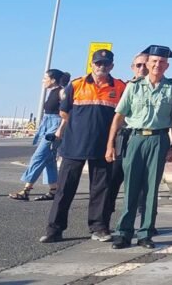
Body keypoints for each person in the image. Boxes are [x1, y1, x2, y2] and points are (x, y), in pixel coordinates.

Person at [40, 49, 126, 243]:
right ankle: (54, 230)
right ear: (92, 64)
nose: (101, 67)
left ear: (111, 65)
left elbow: (121, 116)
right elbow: (64, 112)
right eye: (98, 63)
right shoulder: (77, 84)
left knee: (101, 190)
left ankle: (99, 228)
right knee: (64, 190)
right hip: (74, 145)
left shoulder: (119, 87)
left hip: (103, 147)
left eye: (105, 63)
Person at [106, 45, 172, 249]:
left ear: (167, 65)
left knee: (151, 188)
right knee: (131, 185)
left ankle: (146, 233)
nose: (157, 65)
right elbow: (119, 116)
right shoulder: (134, 86)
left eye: (161, 62)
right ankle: (124, 232)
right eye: (154, 62)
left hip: (159, 140)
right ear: (148, 64)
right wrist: (110, 145)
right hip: (136, 138)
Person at [11, 69, 69, 202]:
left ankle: (26, 190)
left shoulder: (61, 91)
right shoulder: (51, 92)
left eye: (45, 78)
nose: (43, 81)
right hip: (48, 124)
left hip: (55, 126)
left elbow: (67, 111)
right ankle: (54, 190)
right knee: (49, 159)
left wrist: (60, 130)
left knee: (38, 156)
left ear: (53, 80)